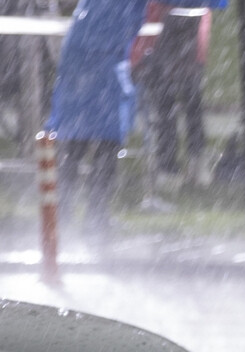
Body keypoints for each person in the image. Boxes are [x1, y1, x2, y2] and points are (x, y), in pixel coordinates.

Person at [45, 0, 219, 241]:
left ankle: (61, 219)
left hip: (85, 50)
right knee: (105, 140)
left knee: (77, 139)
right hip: (102, 55)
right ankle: (93, 218)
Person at [131, 2, 212, 185]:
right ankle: (176, 166)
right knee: (173, 106)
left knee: (180, 105)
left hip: (176, 33)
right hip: (164, 37)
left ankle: (184, 165)